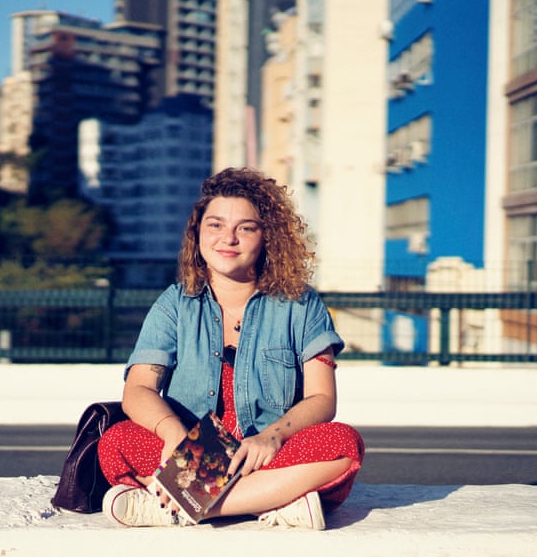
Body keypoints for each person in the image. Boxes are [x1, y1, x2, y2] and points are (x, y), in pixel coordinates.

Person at [98, 167, 364, 530]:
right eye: (216, 225)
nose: (229, 238)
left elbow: (322, 399)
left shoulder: (301, 305)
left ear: (267, 237)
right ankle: (275, 501)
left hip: (266, 454)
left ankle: (177, 506)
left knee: (344, 444)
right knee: (115, 442)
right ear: (198, 233)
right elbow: (138, 389)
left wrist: (273, 437)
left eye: (246, 228)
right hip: (193, 456)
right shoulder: (174, 305)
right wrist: (172, 433)